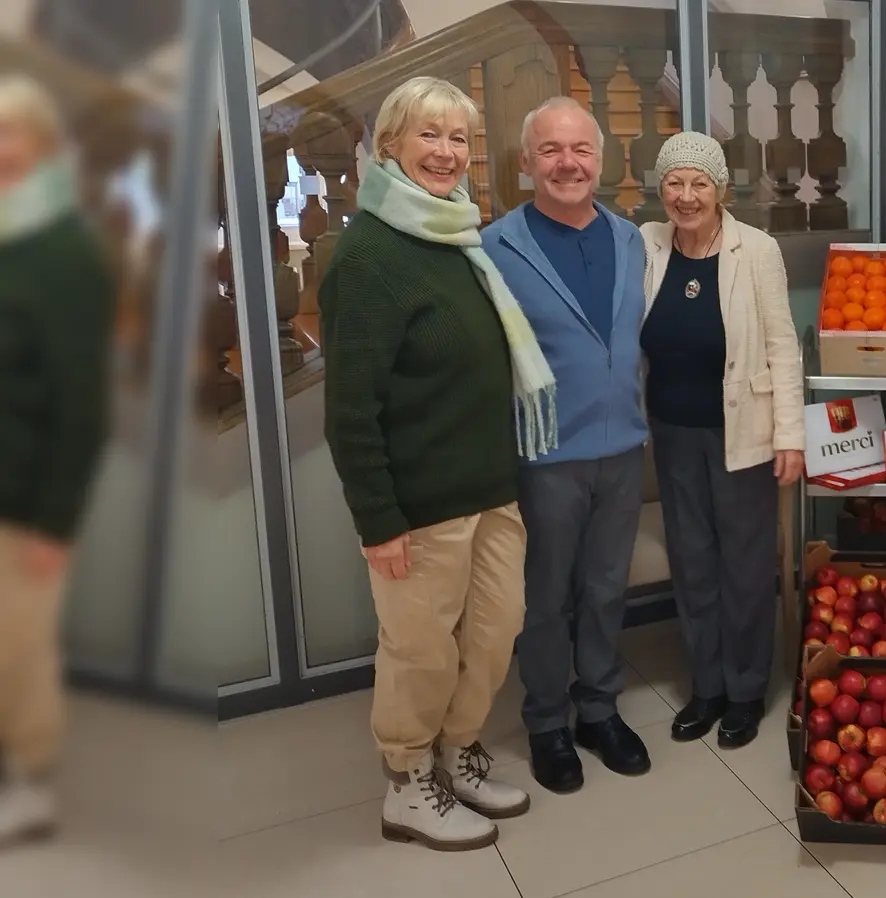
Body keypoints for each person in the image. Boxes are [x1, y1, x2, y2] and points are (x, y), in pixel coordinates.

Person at [322, 75, 548, 850]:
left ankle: (458, 749)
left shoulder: (457, 236)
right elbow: (350, 411)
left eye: (459, 138)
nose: (447, 152)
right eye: (430, 135)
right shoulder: (367, 255)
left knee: (494, 632)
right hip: (418, 504)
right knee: (420, 650)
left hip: (489, 489)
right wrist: (378, 520)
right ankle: (407, 780)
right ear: (391, 144)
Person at [483, 96, 651, 794]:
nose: (567, 163)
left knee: (608, 588)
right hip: (546, 454)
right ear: (527, 163)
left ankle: (598, 709)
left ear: (601, 160)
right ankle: (547, 722)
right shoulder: (495, 247)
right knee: (547, 597)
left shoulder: (630, 238)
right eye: (551, 150)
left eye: (581, 149)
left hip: (624, 448)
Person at [637, 132, 805, 748]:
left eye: (699, 184)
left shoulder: (755, 250)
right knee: (693, 563)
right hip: (673, 435)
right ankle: (706, 686)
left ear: (721, 190)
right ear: (662, 190)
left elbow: (784, 347)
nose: (686, 197)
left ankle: (745, 690)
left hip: (745, 435)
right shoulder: (648, 246)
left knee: (744, 565)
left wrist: (791, 435)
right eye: (675, 184)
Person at [0, 74, 113, 846]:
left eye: (14, 136)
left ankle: (30, 780)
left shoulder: (65, 251)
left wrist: (53, 522)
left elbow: (82, 405)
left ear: (42, 149)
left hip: (22, 498)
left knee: (19, 647)